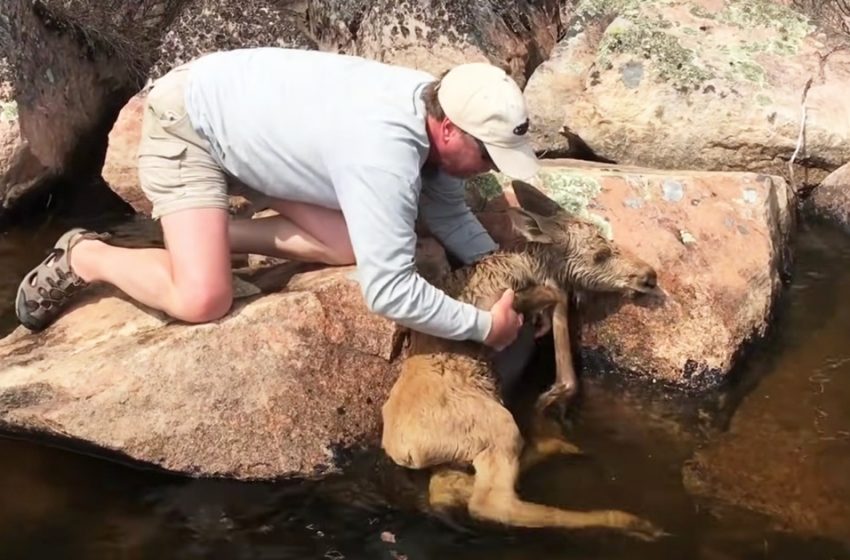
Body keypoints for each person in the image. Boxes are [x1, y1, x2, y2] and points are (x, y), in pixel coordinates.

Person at [16, 47, 541, 350]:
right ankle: (89, 254)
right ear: (448, 130)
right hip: (191, 130)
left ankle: (197, 233)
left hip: (254, 136)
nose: (491, 170)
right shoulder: (384, 151)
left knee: (352, 245)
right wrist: (482, 328)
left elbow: (446, 205)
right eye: (490, 156)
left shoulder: (435, 101)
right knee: (202, 300)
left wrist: (500, 268)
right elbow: (387, 293)